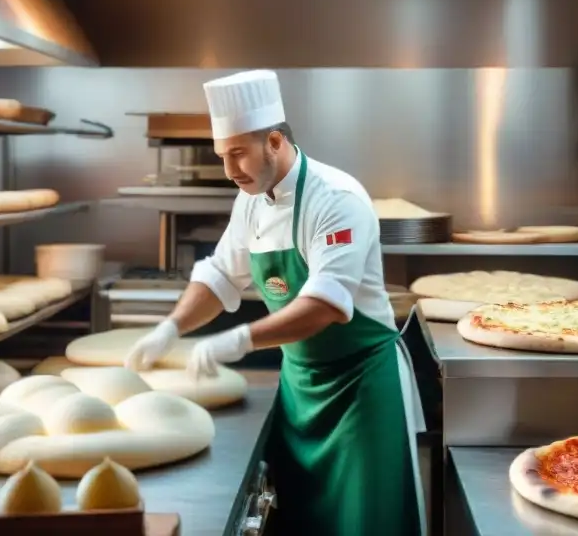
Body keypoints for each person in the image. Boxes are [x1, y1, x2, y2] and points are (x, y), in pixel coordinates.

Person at [123, 70, 424, 536]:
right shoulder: (250, 200)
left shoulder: (336, 199)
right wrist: (172, 328)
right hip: (299, 389)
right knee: (302, 521)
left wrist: (241, 339)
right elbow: (221, 273)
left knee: (366, 521)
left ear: (276, 142)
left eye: (238, 153)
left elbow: (325, 304)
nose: (229, 170)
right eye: (223, 156)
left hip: (361, 391)